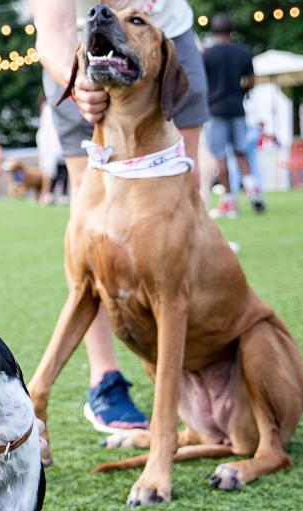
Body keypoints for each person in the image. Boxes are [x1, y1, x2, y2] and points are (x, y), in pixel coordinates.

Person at [31, 0, 211, 432]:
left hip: (168, 37)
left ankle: (200, 368)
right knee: (92, 228)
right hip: (77, 53)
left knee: (180, 217)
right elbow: (52, 30)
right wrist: (77, 85)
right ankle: (105, 379)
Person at [203, 13, 266, 217]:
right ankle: (253, 189)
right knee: (240, 152)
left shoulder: (207, 54)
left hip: (215, 109)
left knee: (220, 156)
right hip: (237, 107)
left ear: (213, 31)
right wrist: (242, 93)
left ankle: (229, 201)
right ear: (232, 30)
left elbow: (202, 84)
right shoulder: (244, 52)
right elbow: (251, 81)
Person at [36, 93, 64, 205]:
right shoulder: (48, 110)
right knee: (48, 172)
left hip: (57, 147)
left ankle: (52, 195)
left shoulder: (51, 109)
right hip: (51, 146)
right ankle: (46, 194)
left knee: (55, 172)